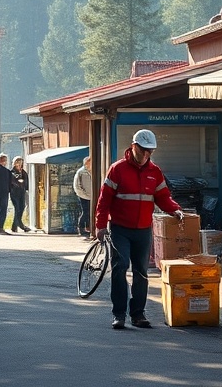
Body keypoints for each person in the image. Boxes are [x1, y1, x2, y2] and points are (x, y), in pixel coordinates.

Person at [94, 129, 185, 331]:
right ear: (133, 146)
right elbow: (104, 200)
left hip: (143, 230)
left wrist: (175, 210)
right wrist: (100, 225)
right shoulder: (117, 169)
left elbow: (163, 197)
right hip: (120, 229)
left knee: (141, 271)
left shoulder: (155, 171)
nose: (146, 155)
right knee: (120, 266)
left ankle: (138, 314)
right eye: (143, 150)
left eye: (150, 151)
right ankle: (119, 314)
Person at [9, 155, 31, 232]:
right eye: (17, 162)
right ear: (14, 163)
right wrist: (19, 182)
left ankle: (15, 225)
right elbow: (13, 181)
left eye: (20, 162)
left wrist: (25, 185)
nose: (19, 164)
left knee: (22, 207)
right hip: (14, 193)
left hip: (22, 192)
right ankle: (20, 225)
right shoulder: (12, 172)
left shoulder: (23, 172)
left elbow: (26, 182)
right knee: (17, 208)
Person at [73, 155, 93, 239]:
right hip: (83, 196)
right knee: (85, 212)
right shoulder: (81, 172)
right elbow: (77, 186)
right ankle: (81, 228)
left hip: (92, 195)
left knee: (91, 212)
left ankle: (88, 227)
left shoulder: (93, 170)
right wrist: (83, 194)